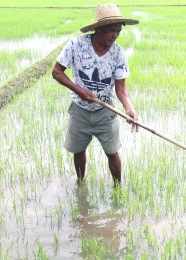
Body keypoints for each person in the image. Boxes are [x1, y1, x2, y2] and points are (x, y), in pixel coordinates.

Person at [52, 3, 139, 185]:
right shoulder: (77, 45)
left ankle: (117, 189)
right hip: (79, 110)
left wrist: (129, 108)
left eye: (118, 31)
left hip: (106, 112)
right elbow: (57, 72)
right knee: (79, 149)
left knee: (113, 152)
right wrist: (80, 91)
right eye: (111, 31)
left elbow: (121, 88)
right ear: (99, 29)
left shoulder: (118, 54)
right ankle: (81, 183)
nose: (115, 35)